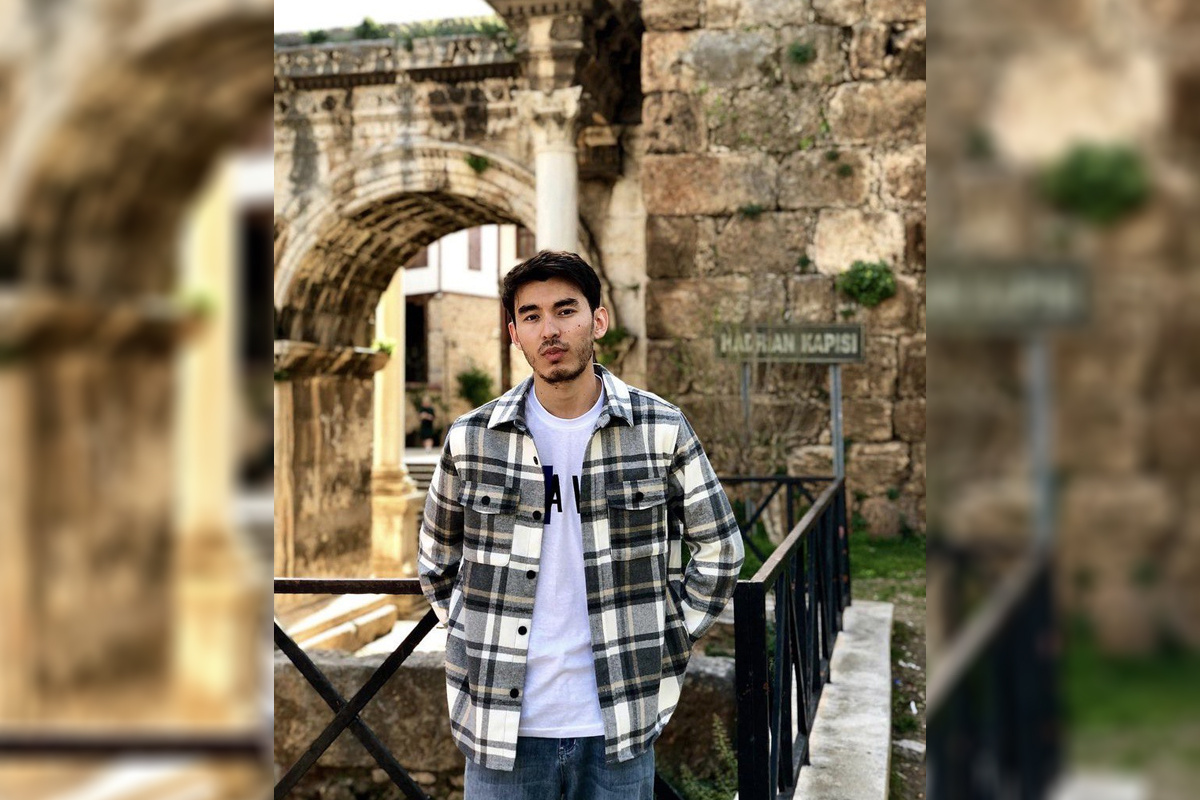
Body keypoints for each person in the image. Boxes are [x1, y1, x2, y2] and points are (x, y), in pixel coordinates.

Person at [418, 250, 743, 800]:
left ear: (598, 320)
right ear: (514, 334)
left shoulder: (660, 428)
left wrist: (668, 633)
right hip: (502, 728)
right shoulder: (473, 438)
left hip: (618, 725)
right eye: (531, 316)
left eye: (565, 310)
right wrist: (476, 640)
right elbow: (436, 560)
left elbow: (721, 550)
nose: (550, 330)